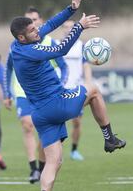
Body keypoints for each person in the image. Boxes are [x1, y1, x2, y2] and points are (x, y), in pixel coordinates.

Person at [9, 0, 126, 190]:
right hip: (57, 103)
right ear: (22, 37)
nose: (38, 31)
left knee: (54, 162)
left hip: (41, 114)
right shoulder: (30, 51)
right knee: (94, 90)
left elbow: (49, 25)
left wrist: (70, 9)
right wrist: (79, 27)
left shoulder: (21, 44)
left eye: (35, 27)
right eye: (32, 30)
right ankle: (110, 139)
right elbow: (60, 50)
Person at [4, 7, 68, 183]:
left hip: (47, 91)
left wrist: (61, 84)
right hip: (23, 91)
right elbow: (8, 68)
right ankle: (33, 169)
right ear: (20, 34)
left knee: (43, 130)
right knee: (27, 125)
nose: (32, 23)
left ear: (39, 21)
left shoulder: (49, 40)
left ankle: (42, 167)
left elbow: (63, 66)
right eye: (28, 20)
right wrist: (7, 92)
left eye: (34, 20)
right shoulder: (17, 45)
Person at [59, 20, 92, 161]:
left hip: (76, 90)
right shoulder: (56, 45)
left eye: (71, 27)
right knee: (57, 122)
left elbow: (86, 66)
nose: (68, 29)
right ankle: (55, 151)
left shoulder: (81, 46)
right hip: (59, 89)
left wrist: (89, 83)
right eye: (65, 27)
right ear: (62, 29)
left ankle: (74, 150)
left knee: (76, 122)